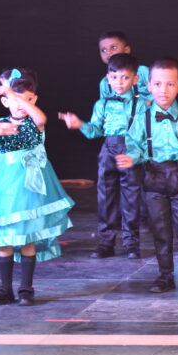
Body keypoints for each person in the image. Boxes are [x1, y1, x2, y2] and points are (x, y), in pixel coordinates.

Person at [116, 58, 178, 294]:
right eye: (158, 84)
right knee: (160, 230)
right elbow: (135, 145)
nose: (163, 90)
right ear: (149, 86)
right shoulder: (142, 119)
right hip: (154, 177)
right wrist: (131, 157)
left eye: (170, 84)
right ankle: (165, 275)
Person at [0, 69, 74, 306]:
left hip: (29, 187)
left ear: (34, 100)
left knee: (27, 238)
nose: (21, 105)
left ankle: (26, 288)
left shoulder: (34, 123)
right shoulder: (1, 123)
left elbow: (41, 119)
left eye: (28, 100)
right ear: (5, 102)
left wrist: (16, 95)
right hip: (6, 186)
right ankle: (4, 288)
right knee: (4, 240)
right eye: (15, 100)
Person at [59, 52, 145, 259]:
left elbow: (144, 135)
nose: (119, 82)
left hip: (130, 151)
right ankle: (106, 243)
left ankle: (132, 244)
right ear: (108, 78)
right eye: (114, 77)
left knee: (131, 200)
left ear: (135, 79)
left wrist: (135, 155)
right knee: (106, 198)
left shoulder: (141, 104)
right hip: (108, 150)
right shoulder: (102, 104)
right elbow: (94, 131)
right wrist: (79, 124)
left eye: (125, 77)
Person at [95, 30, 150, 99]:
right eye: (104, 50)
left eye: (113, 47)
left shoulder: (142, 71)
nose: (108, 52)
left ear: (126, 50)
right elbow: (104, 103)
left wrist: (148, 102)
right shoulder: (105, 82)